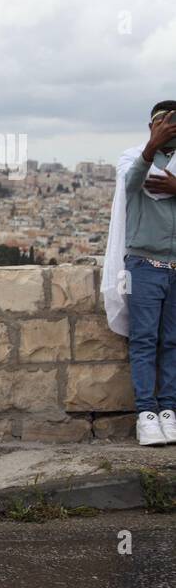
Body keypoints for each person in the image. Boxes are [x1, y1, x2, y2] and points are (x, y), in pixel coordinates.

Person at [102, 101, 176, 445]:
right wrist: (151, 148)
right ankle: (146, 413)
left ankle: (169, 411)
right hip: (145, 264)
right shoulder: (134, 157)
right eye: (164, 123)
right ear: (152, 126)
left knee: (172, 342)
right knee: (144, 340)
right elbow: (131, 184)